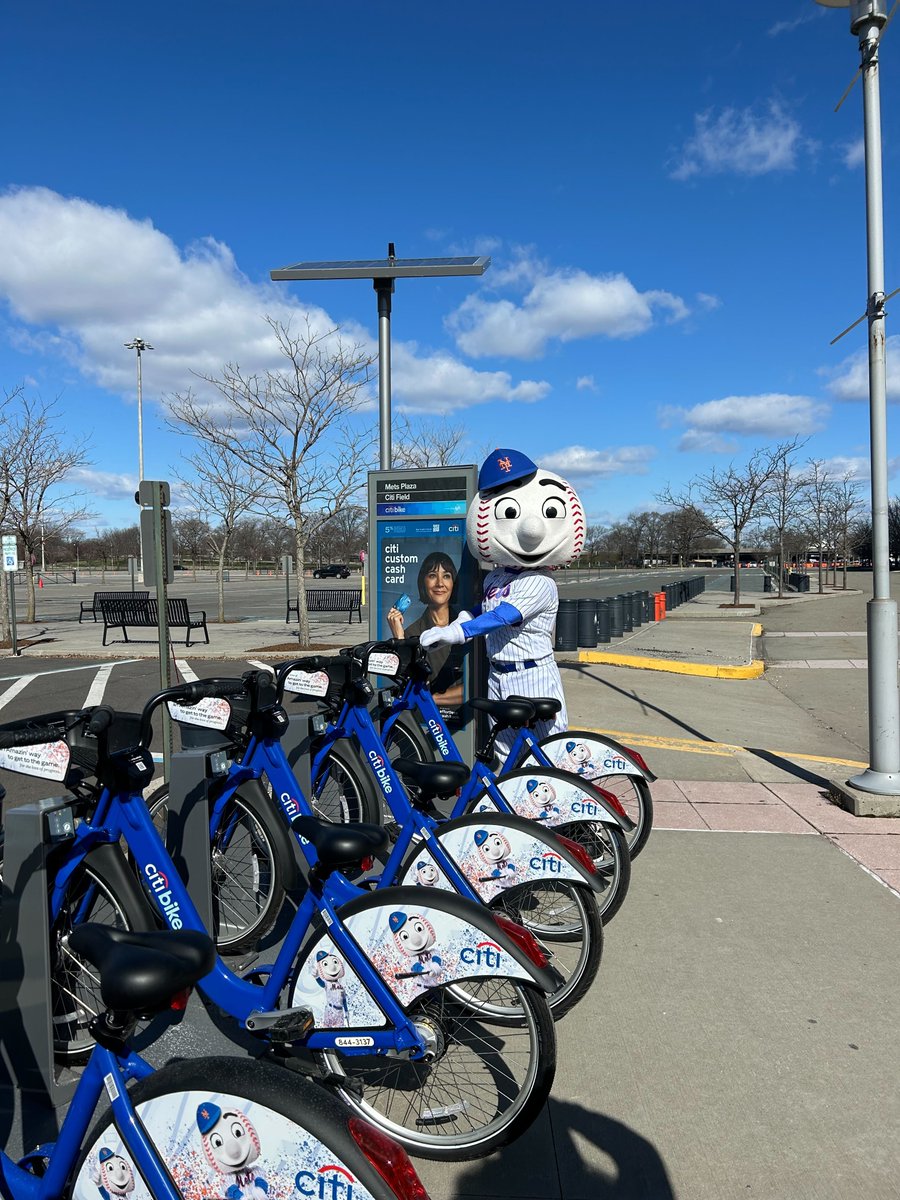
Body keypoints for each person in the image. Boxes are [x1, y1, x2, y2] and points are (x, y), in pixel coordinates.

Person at [419, 448, 584, 757]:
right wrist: (460, 620)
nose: (531, 530)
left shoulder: (540, 582)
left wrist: (458, 633)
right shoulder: (496, 577)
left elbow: (503, 616)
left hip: (532, 675)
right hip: (499, 675)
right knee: (506, 755)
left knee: (548, 755)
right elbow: (485, 609)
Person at [387, 550, 464, 709]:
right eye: (432, 575)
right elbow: (408, 687)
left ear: (453, 583)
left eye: (446, 576)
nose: (440, 583)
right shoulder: (412, 633)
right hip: (424, 720)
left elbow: (475, 687)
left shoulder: (466, 627)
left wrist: (432, 699)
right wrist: (400, 639)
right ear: (423, 582)